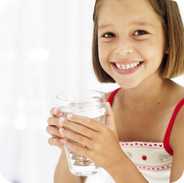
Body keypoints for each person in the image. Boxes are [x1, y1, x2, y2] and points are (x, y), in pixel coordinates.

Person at [47, 0, 184, 182]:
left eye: (140, 33)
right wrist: (72, 144)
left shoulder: (180, 116)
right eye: (109, 34)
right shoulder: (99, 109)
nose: (122, 49)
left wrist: (114, 160)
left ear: (169, 38)